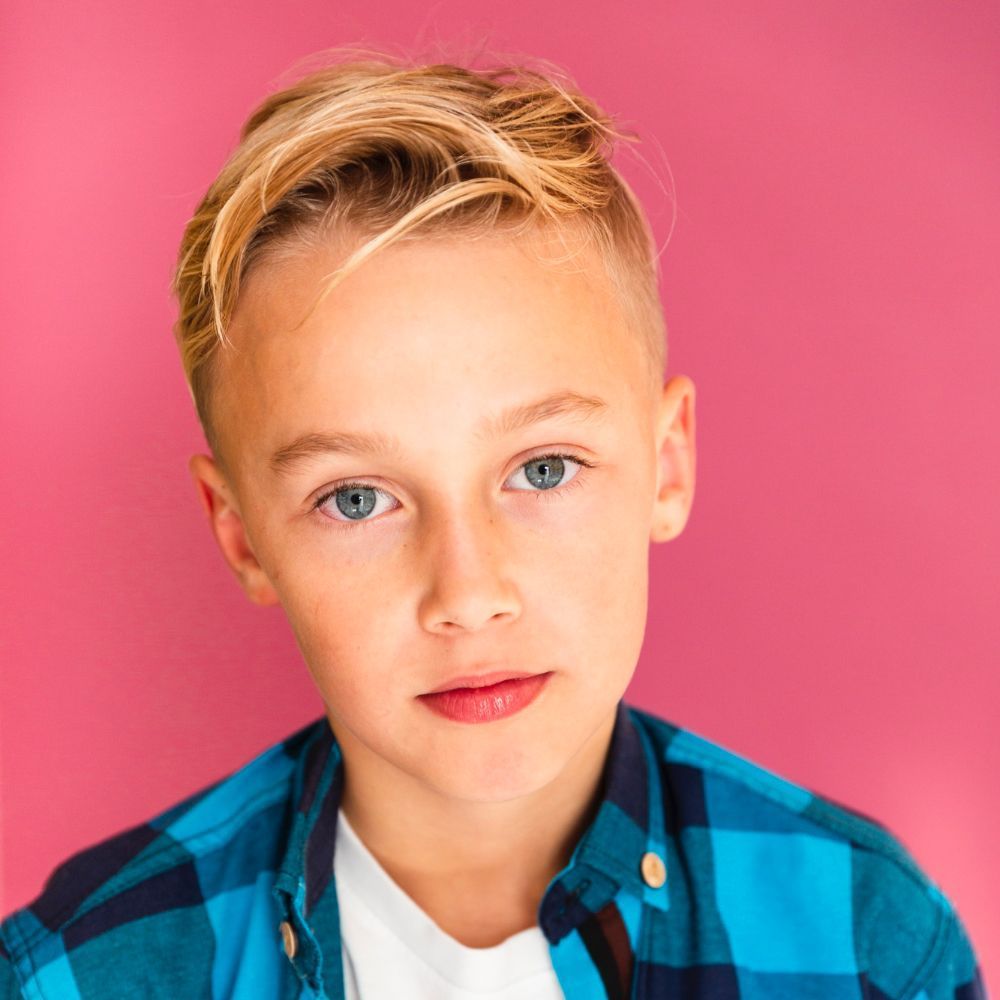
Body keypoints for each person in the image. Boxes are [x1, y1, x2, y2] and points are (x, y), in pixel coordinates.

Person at [0, 48, 987, 1000]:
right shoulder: (77, 973)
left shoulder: (865, 944)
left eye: (542, 470)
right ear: (243, 535)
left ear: (667, 464)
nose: (468, 595)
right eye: (357, 499)